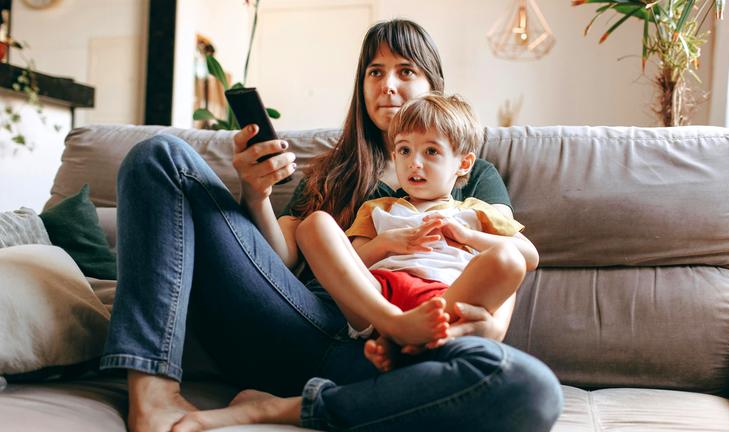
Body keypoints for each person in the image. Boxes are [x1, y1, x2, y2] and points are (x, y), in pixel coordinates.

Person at [101, 18, 563, 432]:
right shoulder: (332, 170)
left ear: (433, 85)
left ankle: (287, 407)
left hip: (399, 352)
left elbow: (505, 261)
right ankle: (153, 394)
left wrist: (486, 329)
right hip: (301, 321)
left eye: (406, 71)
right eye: (375, 72)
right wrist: (255, 194)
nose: (388, 86)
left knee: (531, 388)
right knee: (160, 155)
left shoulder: (472, 173)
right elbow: (279, 260)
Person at [295, 93, 530, 373]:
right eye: (405, 151)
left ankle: (406, 342)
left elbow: (529, 256)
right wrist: (386, 243)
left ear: (464, 164)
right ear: (394, 156)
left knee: (509, 259)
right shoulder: (378, 208)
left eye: (431, 151)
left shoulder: (476, 212)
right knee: (314, 224)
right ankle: (396, 327)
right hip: (378, 299)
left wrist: (467, 236)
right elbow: (353, 262)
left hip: (444, 300)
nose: (414, 163)